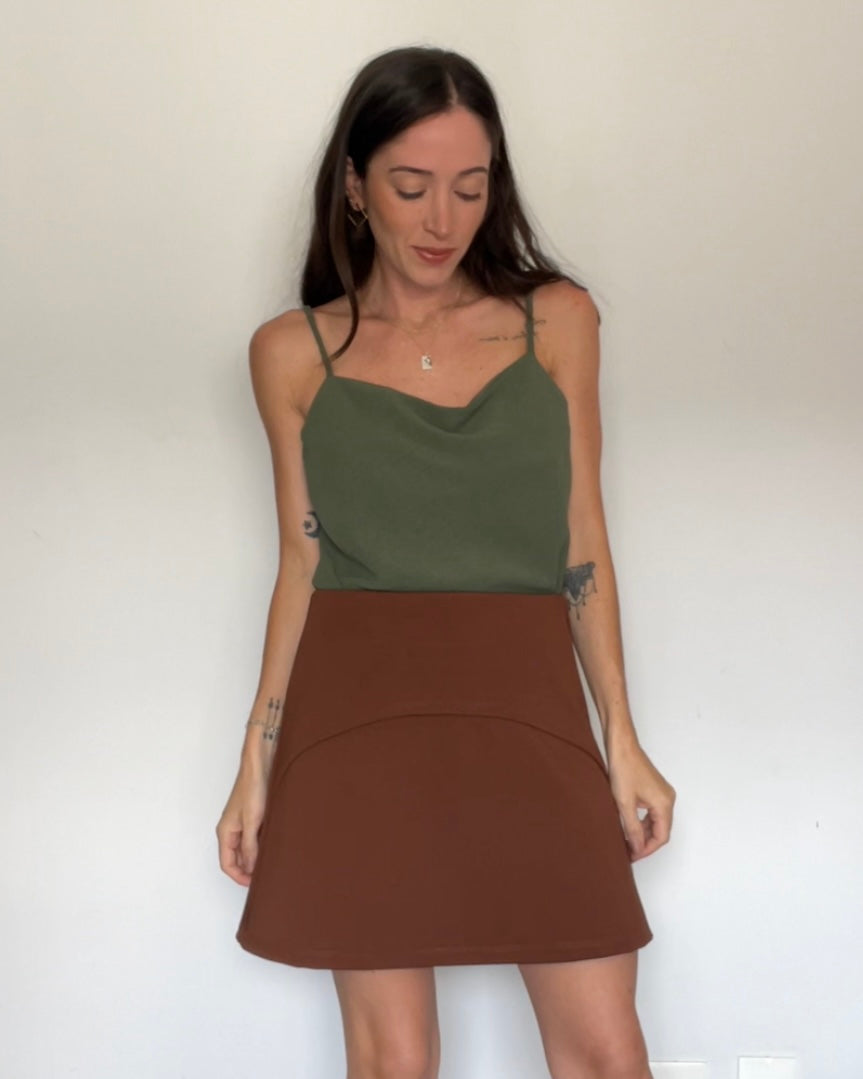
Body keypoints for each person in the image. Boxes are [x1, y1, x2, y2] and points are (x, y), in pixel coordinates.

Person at [216, 44, 675, 1079]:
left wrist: (621, 738)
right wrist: (255, 762)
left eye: (470, 188)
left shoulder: (556, 320)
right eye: (410, 185)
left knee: (605, 1052)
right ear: (353, 185)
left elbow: (581, 538)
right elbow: (301, 563)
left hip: (525, 704)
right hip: (354, 719)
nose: (442, 219)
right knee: (393, 1061)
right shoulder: (292, 351)